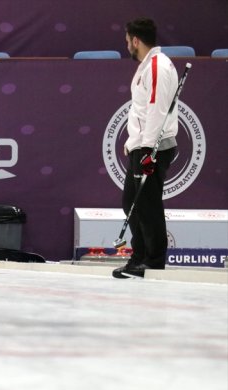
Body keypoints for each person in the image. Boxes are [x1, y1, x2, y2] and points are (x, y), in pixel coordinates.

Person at [113, 18, 179, 279]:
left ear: (136, 40)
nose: (127, 45)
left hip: (153, 147)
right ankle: (139, 257)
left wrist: (148, 150)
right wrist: (133, 143)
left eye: (128, 40)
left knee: (146, 205)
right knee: (133, 201)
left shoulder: (156, 66)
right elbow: (140, 110)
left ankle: (152, 262)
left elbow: (157, 110)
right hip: (144, 146)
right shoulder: (149, 66)